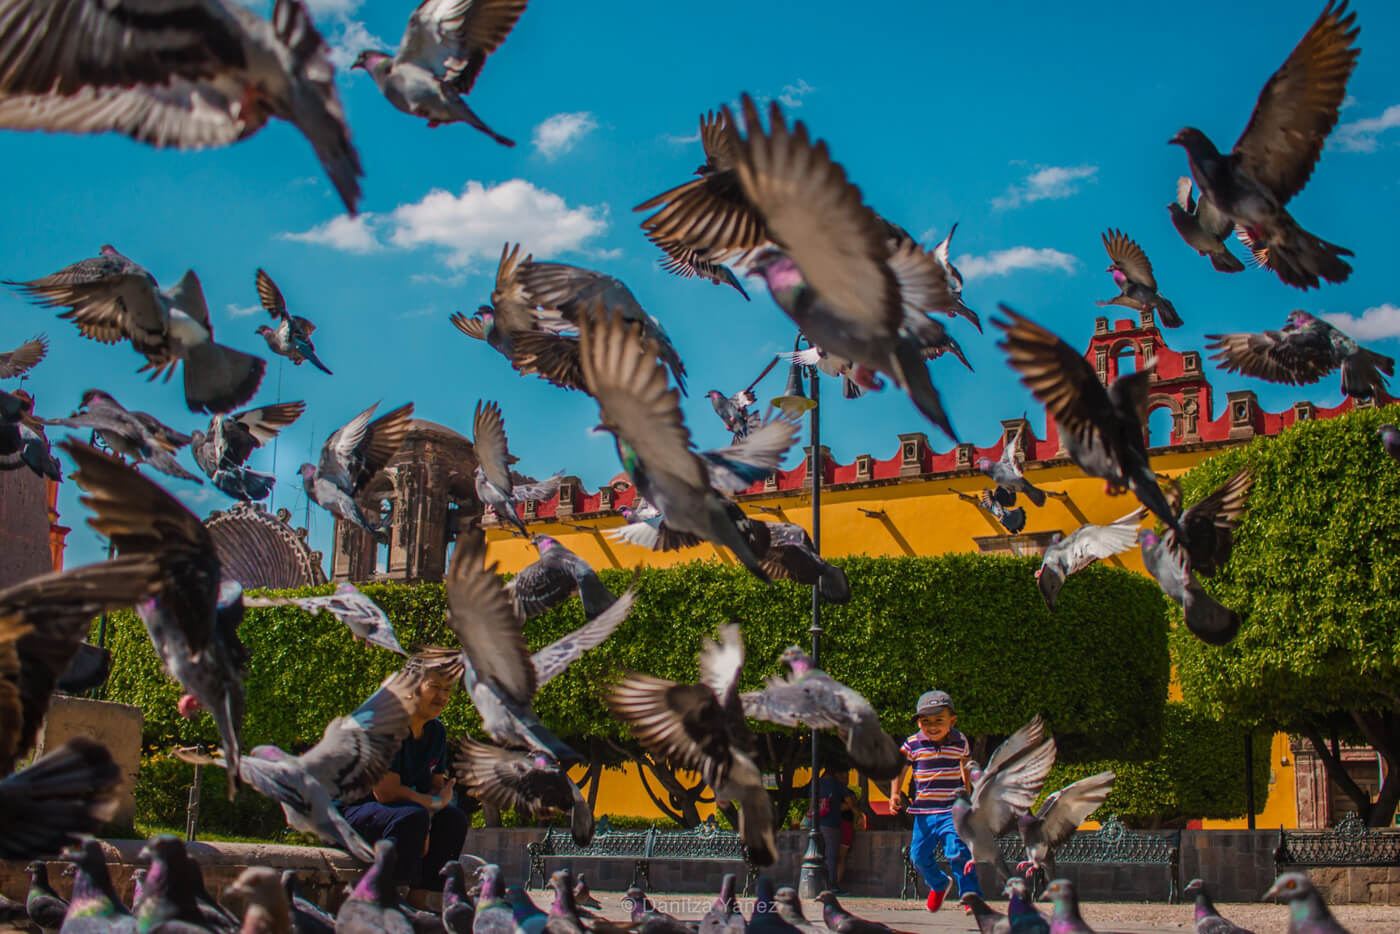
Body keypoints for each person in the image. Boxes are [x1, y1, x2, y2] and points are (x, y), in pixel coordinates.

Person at [341, 663, 468, 890]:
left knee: (454, 819)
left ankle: (428, 895)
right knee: (412, 818)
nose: (442, 696)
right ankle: (391, 894)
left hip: (402, 814)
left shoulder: (436, 732)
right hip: (348, 813)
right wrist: (432, 804)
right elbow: (386, 793)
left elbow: (436, 786)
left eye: (447, 690)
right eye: (435, 687)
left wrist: (432, 810)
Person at [889, 689, 979, 912]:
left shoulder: (960, 740)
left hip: (952, 810)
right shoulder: (912, 744)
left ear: (952, 721)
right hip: (925, 813)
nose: (933, 726)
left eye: (939, 720)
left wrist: (967, 792)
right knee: (918, 856)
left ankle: (971, 896)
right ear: (919, 723)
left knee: (958, 852)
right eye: (926, 721)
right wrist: (895, 793)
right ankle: (939, 884)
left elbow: (965, 763)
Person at [836, 775, 866, 891]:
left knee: (840, 857)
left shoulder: (846, 791)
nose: (846, 778)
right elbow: (849, 805)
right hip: (842, 825)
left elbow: (849, 806)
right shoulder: (842, 791)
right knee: (839, 857)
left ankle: (835, 883)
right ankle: (835, 883)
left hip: (844, 825)